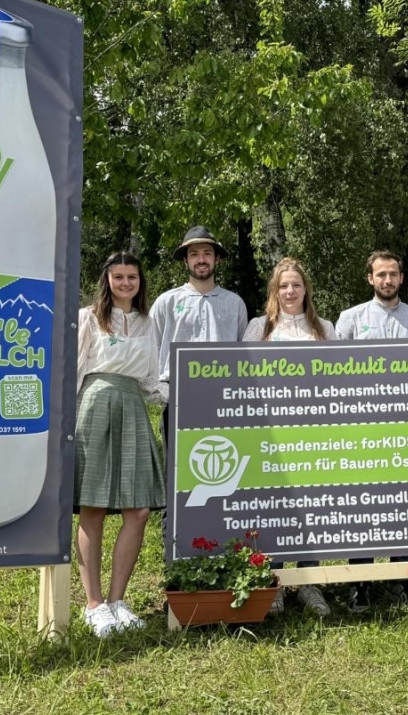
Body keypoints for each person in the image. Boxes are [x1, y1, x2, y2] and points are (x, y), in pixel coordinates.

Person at [74, 252, 167, 637]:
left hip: (133, 407)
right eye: (119, 277)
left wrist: (191, 393)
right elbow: (73, 369)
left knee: (139, 510)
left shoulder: (148, 323)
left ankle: (117, 600)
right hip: (95, 405)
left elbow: (150, 381)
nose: (126, 283)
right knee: (93, 506)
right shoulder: (88, 317)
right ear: (107, 280)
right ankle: (94, 604)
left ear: (140, 282)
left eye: (132, 277)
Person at [335, 250, 408, 611]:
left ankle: (401, 578)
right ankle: (359, 581)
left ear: (401, 278)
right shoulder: (350, 319)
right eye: (381, 274)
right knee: (361, 503)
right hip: (361, 427)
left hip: (406, 427)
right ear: (370, 278)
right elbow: (334, 372)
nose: (387, 280)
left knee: (403, 502)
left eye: (393, 274)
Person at [242, 257, 335, 617]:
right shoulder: (258, 327)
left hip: (313, 429)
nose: (290, 291)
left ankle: (309, 582)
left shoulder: (324, 328)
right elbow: (243, 376)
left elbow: (338, 377)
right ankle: (275, 581)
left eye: (296, 285)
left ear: (306, 289)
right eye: (284, 286)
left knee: (312, 506)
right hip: (272, 430)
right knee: (276, 507)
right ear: (274, 291)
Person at [152, 224, 248, 433]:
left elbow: (244, 355)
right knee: (176, 455)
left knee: (223, 451)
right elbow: (151, 350)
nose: (201, 259)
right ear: (185, 261)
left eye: (207, 253)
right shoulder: (166, 302)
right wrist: (163, 392)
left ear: (217, 259)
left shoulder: (235, 304)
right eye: (194, 254)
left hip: (224, 399)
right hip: (176, 397)